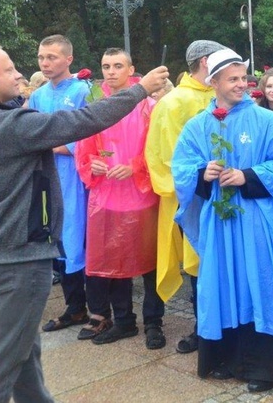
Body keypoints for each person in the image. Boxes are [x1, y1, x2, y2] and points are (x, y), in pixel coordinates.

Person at [0, 42, 168, 403]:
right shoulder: (5, 125)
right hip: (16, 262)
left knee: (25, 362)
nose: (20, 74)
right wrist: (141, 89)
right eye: (9, 69)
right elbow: (83, 121)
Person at [172, 48, 273, 393]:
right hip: (220, 222)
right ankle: (227, 359)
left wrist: (248, 176)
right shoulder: (198, 126)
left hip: (257, 220)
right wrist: (204, 173)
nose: (240, 85)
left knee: (258, 282)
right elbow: (182, 169)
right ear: (213, 81)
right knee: (223, 284)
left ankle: (265, 365)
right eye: (231, 79)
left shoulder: (267, 121)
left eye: (243, 78)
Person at [74, 48, 164, 349]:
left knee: (150, 261)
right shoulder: (95, 107)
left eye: (117, 66)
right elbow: (83, 152)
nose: (111, 71)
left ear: (131, 69)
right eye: (106, 66)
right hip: (106, 196)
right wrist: (91, 165)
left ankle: (154, 322)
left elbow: (159, 150)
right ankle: (124, 320)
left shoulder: (149, 107)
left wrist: (136, 166)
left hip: (142, 195)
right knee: (114, 262)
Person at [145, 40, 225, 354]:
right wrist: (194, 186)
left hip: (228, 193)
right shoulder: (173, 103)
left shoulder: (225, 96)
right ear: (206, 62)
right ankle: (202, 327)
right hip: (194, 199)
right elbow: (162, 157)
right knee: (199, 263)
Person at [30, 35, 91, 333]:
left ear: (68, 59)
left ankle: (97, 307)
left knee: (78, 236)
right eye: (42, 57)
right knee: (58, 238)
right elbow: (29, 132)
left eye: (52, 57)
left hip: (77, 180)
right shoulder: (39, 95)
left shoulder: (83, 91)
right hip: (48, 179)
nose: (45, 63)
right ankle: (75, 307)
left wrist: (53, 146)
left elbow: (92, 136)